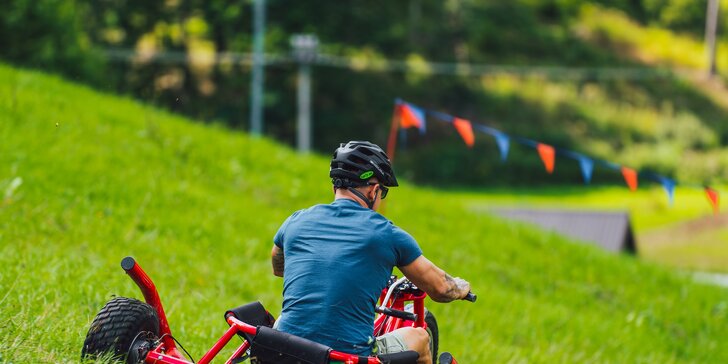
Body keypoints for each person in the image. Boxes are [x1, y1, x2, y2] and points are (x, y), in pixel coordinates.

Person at [270, 141, 471, 364]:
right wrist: (460, 288)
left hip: (284, 350)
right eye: (382, 192)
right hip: (346, 357)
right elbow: (440, 289)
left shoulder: (296, 221)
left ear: (335, 187)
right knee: (420, 338)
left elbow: (278, 266)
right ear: (374, 190)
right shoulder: (387, 234)